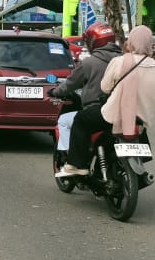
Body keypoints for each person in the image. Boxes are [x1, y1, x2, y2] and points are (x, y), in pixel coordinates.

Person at [56, 25, 155, 178]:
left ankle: (76, 164)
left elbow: (105, 87)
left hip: (113, 116)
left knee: (81, 120)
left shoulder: (120, 62)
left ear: (131, 41)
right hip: (140, 119)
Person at [50, 22, 121, 169]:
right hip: (125, 111)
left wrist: (55, 92)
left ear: (93, 41)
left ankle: (72, 161)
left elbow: (70, 84)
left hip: (98, 111)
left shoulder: (90, 62)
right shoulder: (125, 60)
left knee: (66, 120)